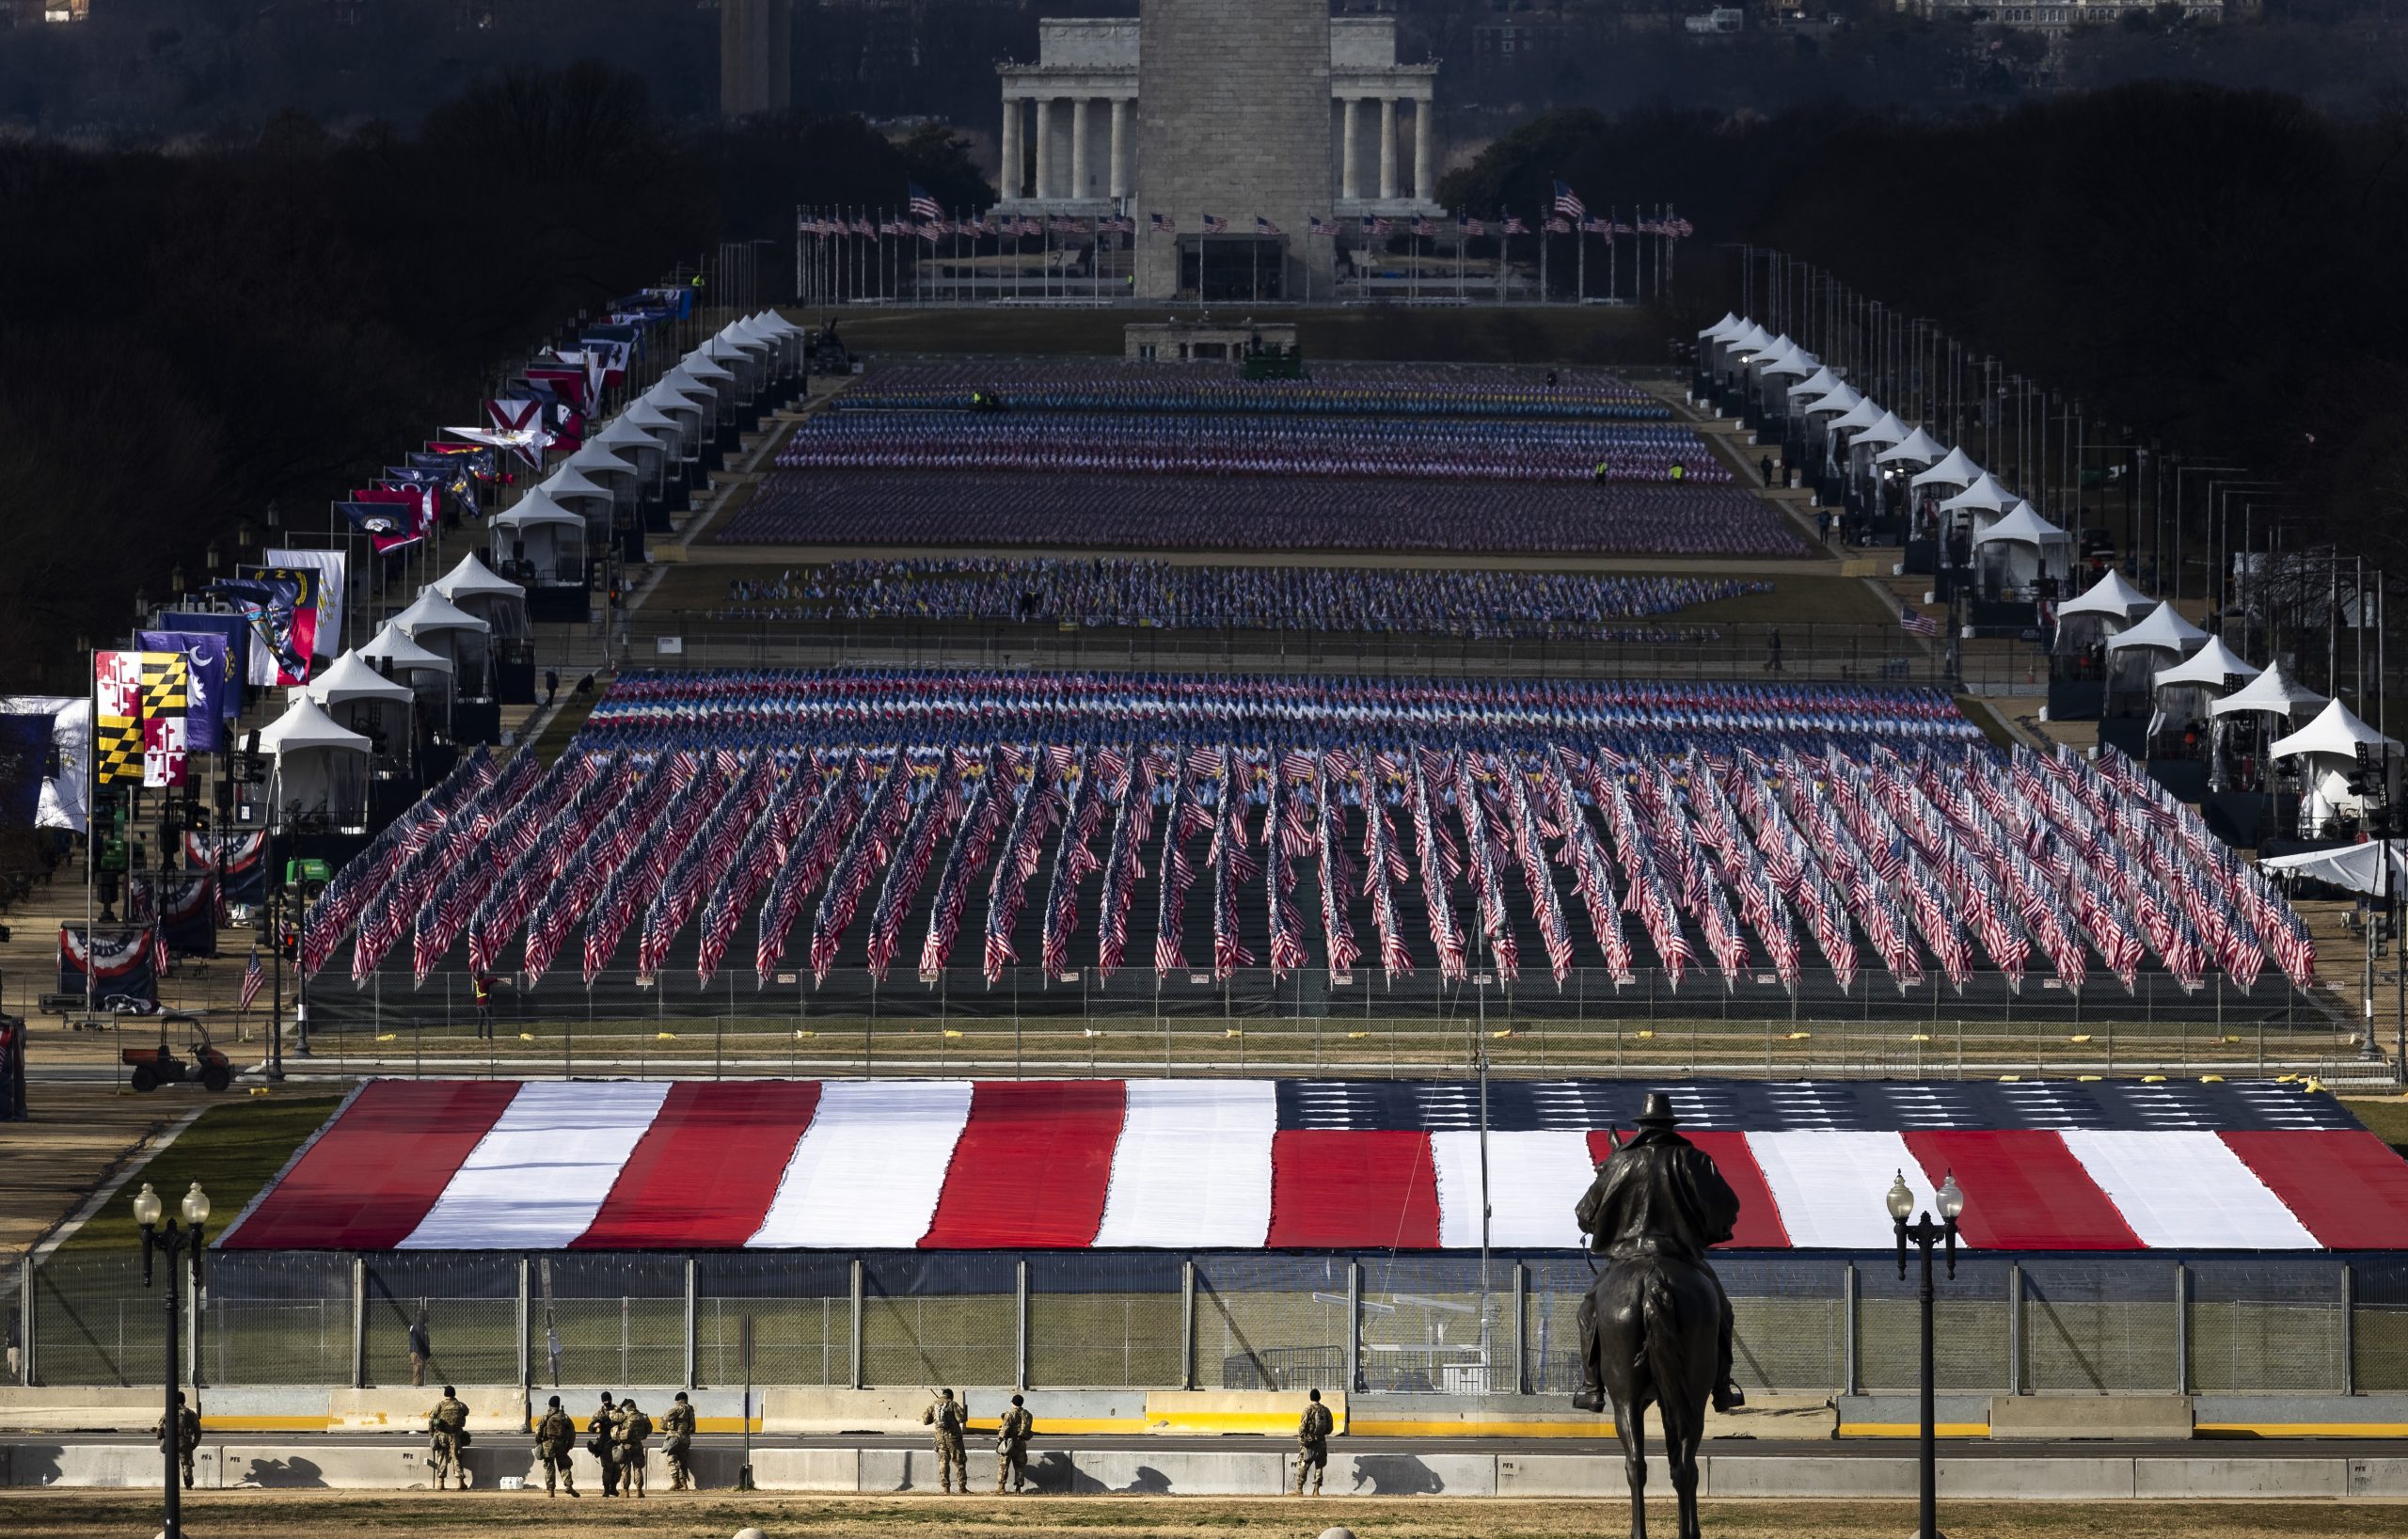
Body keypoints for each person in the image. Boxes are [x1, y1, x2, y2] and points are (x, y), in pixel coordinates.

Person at [1571, 1092, 1746, 1417]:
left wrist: (1607, 1222)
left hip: (1627, 1258)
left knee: (1588, 1312)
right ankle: (1722, 1388)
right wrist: (1707, 1230)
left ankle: (1592, 1389)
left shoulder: (1621, 1161)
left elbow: (1584, 1214)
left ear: (1642, 1127)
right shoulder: (1695, 1160)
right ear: (1670, 1126)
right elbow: (1728, 1208)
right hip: (1682, 1257)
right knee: (1722, 1311)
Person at [923, 1387, 968, 1493]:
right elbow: (961, 1418)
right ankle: (962, 1487)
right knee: (959, 1462)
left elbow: (925, 1420)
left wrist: (935, 1417)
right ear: (951, 1396)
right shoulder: (952, 1404)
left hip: (940, 1439)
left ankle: (946, 1488)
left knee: (943, 1462)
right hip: (953, 1438)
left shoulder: (934, 1404)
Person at [534, 1393, 579, 1498]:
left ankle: (551, 1490)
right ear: (558, 1405)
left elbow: (538, 1431)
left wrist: (538, 1443)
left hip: (547, 1445)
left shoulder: (545, 1417)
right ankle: (568, 1485)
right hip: (561, 1444)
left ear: (549, 1405)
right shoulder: (565, 1417)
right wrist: (569, 1445)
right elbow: (572, 1432)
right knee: (564, 1465)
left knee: (549, 1466)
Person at [427, 1384, 471, 1491]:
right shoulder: (460, 1405)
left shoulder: (439, 1405)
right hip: (455, 1435)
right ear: (454, 1394)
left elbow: (431, 1419)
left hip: (441, 1435)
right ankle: (460, 1482)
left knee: (442, 1456)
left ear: (445, 1394)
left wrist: (432, 1433)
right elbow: (466, 1412)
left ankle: (440, 1482)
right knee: (456, 1457)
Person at [155, 1390, 201, 1490]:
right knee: (186, 1464)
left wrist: (161, 1438)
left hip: (170, 1442)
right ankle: (188, 1485)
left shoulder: (168, 1412)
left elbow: (160, 1428)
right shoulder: (190, 1413)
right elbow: (198, 1431)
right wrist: (194, 1444)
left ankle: (172, 1485)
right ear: (184, 1400)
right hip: (185, 1442)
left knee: (172, 1464)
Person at [1291, 1388, 1334, 1495]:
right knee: (1319, 1466)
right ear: (1319, 1398)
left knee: (1303, 1464)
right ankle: (1316, 1490)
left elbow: (1302, 1427)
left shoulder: (1308, 1410)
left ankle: (1299, 1489)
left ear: (1311, 1398)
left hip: (1309, 1443)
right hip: (1321, 1442)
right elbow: (1330, 1428)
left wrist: (1302, 1437)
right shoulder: (1325, 1410)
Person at [994, 1392, 1035, 1494]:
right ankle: (1018, 1489)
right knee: (1019, 1466)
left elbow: (1004, 1429)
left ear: (1013, 1403)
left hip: (1009, 1442)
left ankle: (1001, 1488)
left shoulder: (1010, 1414)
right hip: (1020, 1442)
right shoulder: (1027, 1414)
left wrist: (999, 1441)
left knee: (1003, 1465)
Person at [614, 1396, 652, 1498]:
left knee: (625, 1468)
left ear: (627, 1408)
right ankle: (639, 1491)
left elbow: (612, 1415)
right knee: (638, 1468)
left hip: (626, 1446)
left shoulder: (624, 1416)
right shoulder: (643, 1416)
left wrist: (619, 1407)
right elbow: (649, 1429)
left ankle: (625, 1491)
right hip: (638, 1445)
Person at [660, 1390, 697, 1491]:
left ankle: (676, 1482)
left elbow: (666, 1416)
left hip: (675, 1438)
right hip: (686, 1439)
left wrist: (664, 1421)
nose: (676, 1403)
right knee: (682, 1461)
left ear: (680, 1401)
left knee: (671, 1458)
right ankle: (684, 1484)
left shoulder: (680, 1408)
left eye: (677, 1401)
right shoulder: (690, 1410)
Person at [588, 1391, 621, 1498]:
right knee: (607, 1467)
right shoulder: (599, 1413)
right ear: (602, 1401)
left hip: (616, 1441)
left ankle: (613, 1488)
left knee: (617, 1467)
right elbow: (590, 1427)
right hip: (605, 1442)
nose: (607, 1402)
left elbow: (624, 1422)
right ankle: (606, 1489)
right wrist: (595, 1426)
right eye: (605, 1400)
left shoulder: (617, 1411)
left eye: (608, 1400)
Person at [407, 1308, 432, 1388]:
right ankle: (416, 1390)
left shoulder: (419, 1325)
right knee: (418, 1373)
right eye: (426, 1315)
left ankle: (419, 1388)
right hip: (418, 1353)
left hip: (418, 1352)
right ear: (422, 1316)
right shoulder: (418, 1326)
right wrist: (421, 1353)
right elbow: (417, 1341)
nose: (427, 1317)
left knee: (419, 1373)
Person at [471, 973, 494, 1039]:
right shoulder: (483, 982)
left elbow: (474, 975)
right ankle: (489, 1035)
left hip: (479, 1003)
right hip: (485, 1002)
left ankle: (479, 1035)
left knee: (480, 1019)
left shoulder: (477, 982)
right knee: (489, 1019)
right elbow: (492, 980)